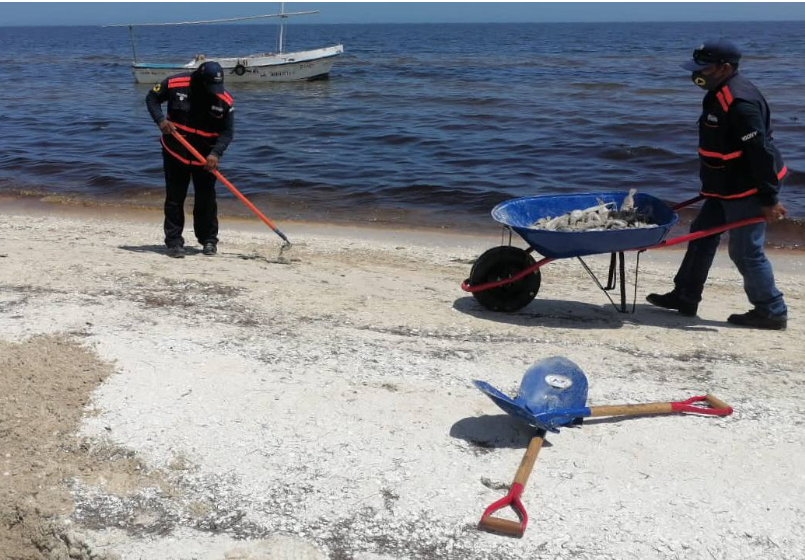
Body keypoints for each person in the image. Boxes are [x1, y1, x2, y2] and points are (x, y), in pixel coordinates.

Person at [647, 40, 789, 330]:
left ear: (725, 68)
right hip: (724, 185)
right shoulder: (717, 92)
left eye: (703, 68)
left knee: (745, 252)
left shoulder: (739, 103)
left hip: (748, 188)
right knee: (701, 234)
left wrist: (769, 198)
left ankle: (772, 310)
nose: (697, 74)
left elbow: (759, 152)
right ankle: (685, 295)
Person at [146, 61, 234, 258]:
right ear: (198, 80)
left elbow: (227, 132)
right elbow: (151, 98)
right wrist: (161, 120)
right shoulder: (174, 83)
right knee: (175, 198)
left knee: (207, 199)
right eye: (209, 87)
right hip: (175, 151)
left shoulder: (224, 100)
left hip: (205, 158)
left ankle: (209, 240)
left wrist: (215, 154)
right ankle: (174, 242)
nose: (213, 92)